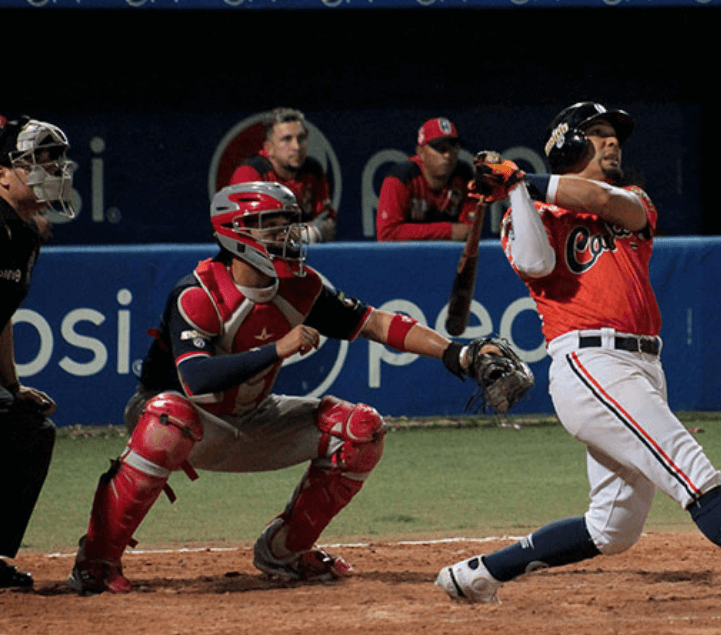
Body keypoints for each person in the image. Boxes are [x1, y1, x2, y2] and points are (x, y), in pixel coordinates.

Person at [435, 102, 721, 604]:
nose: (612, 143)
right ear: (568, 144)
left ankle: (479, 573)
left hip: (644, 365)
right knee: (692, 472)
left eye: (613, 135)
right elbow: (537, 264)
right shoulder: (529, 213)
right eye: (598, 134)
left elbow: (606, 202)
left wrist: (522, 178)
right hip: (590, 364)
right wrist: (517, 190)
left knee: (612, 529)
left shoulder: (630, 199)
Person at [67, 181, 510, 595]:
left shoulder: (301, 287)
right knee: (170, 416)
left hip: (252, 419)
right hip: (183, 418)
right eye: (273, 225)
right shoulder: (198, 292)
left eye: (288, 223)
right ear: (236, 233)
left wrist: (459, 354)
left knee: (361, 429)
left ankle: (285, 552)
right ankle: (98, 560)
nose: (288, 234)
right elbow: (196, 379)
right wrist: (278, 348)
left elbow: (375, 322)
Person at [0, 115, 74, 590]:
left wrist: (12, 386)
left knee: (29, 429)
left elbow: (0, 316)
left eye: (55, 160)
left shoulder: (23, 235)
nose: (53, 170)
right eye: (38, 161)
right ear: (3, 173)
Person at [229, 108, 337, 242]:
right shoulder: (250, 174)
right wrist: (307, 233)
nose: (296, 147)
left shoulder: (313, 171)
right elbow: (251, 232)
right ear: (268, 148)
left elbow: (327, 224)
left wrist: (289, 233)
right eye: (287, 139)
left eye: (301, 138)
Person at [376, 117, 477, 242]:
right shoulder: (401, 177)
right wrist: (448, 230)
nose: (448, 155)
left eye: (453, 148)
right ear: (421, 152)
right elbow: (386, 234)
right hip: (405, 256)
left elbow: (470, 230)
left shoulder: (465, 176)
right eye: (440, 148)